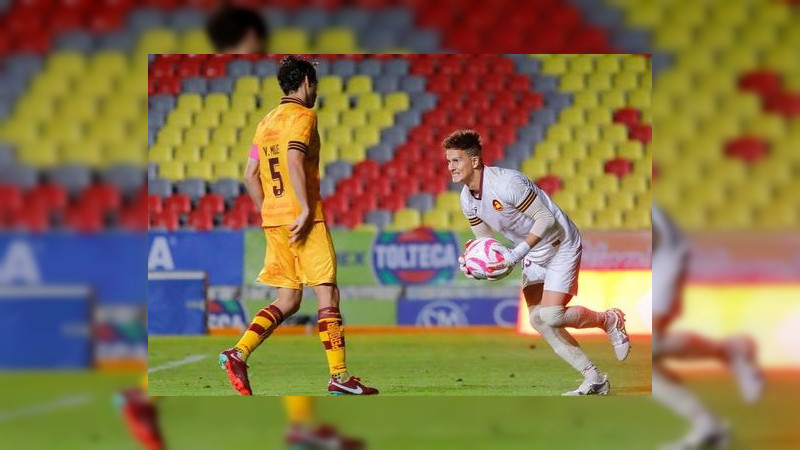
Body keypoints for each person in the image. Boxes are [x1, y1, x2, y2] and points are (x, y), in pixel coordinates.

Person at [219, 55, 378, 396]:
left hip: (274, 218)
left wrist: (269, 210)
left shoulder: (265, 122)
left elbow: (249, 174)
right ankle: (339, 375)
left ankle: (239, 352)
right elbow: (293, 156)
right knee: (327, 292)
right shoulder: (303, 115)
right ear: (307, 82)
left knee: (288, 299)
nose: (315, 89)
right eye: (315, 83)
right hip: (302, 217)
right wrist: (304, 208)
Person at [444, 129, 630, 395]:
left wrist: (515, 255)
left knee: (552, 314)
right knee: (539, 320)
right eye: (448, 161)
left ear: (474, 161)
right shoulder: (467, 200)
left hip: (560, 243)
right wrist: (479, 267)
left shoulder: (508, 183)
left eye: (455, 160)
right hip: (532, 252)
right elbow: (488, 246)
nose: (450, 167)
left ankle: (609, 320)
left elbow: (546, 219)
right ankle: (595, 379)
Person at [651, 203, 763, 449]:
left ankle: (729, 350)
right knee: (648, 360)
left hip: (665, 251)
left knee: (649, 347)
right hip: (658, 252)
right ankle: (706, 424)